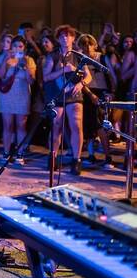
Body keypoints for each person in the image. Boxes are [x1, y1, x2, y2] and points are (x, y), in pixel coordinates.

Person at [43, 25, 92, 175]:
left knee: (76, 125)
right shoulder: (53, 56)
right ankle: (53, 157)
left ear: (73, 38)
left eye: (69, 35)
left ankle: (76, 160)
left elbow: (88, 76)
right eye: (63, 36)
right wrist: (64, 70)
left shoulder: (78, 56)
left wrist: (80, 83)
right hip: (57, 95)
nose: (66, 38)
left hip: (75, 95)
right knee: (56, 126)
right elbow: (46, 77)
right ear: (58, 39)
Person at [78, 34, 116, 169]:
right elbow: (80, 80)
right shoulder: (80, 58)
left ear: (95, 45)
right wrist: (89, 94)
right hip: (86, 93)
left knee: (101, 125)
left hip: (101, 92)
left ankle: (108, 157)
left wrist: (111, 92)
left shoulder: (102, 58)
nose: (87, 47)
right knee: (88, 124)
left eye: (89, 43)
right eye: (84, 44)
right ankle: (91, 155)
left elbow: (111, 76)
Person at [0, 36, 37, 165]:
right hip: (7, 95)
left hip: (22, 94)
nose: (17, 48)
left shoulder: (29, 60)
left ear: (24, 48)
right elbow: (0, 75)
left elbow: (31, 80)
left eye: (20, 46)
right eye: (15, 46)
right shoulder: (7, 59)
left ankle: (20, 153)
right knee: (7, 125)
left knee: (21, 125)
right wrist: (6, 60)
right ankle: (6, 152)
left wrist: (25, 66)